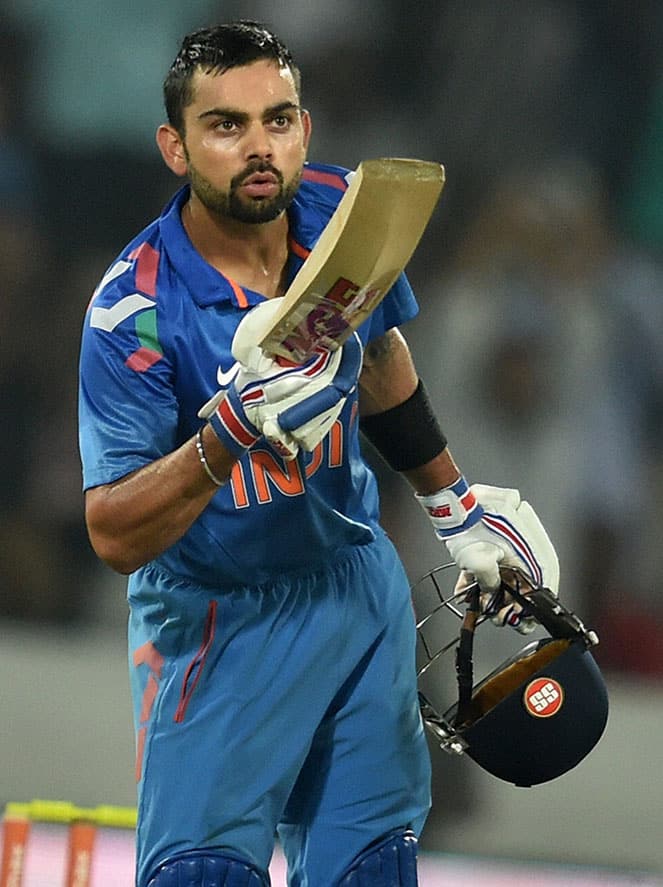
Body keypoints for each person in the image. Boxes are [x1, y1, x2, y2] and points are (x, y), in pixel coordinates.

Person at [78, 21, 558, 887]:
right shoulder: (133, 311)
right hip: (218, 620)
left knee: (372, 868)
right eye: (225, 125)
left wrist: (453, 506)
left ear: (306, 127)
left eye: (279, 118)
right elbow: (112, 533)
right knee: (201, 876)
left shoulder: (347, 211)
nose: (259, 146)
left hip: (353, 590)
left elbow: (376, 355)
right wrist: (227, 431)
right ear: (175, 149)